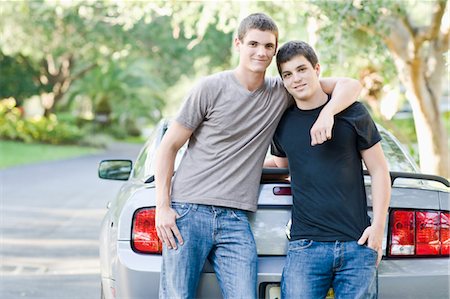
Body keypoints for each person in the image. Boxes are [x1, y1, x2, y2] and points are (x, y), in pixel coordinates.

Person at [155, 13, 362, 299]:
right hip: (190, 210)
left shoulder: (283, 90)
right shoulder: (210, 88)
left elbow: (351, 85)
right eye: (253, 44)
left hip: (236, 219)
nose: (261, 52)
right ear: (238, 43)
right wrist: (162, 207)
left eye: (268, 46)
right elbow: (168, 147)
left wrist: (327, 114)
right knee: (177, 295)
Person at [267, 40, 391, 299]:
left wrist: (378, 228)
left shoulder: (352, 113)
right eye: (287, 74)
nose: (296, 79)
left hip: (357, 244)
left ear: (317, 69)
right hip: (306, 248)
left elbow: (379, 170)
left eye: (302, 70)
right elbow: (284, 167)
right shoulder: (281, 124)